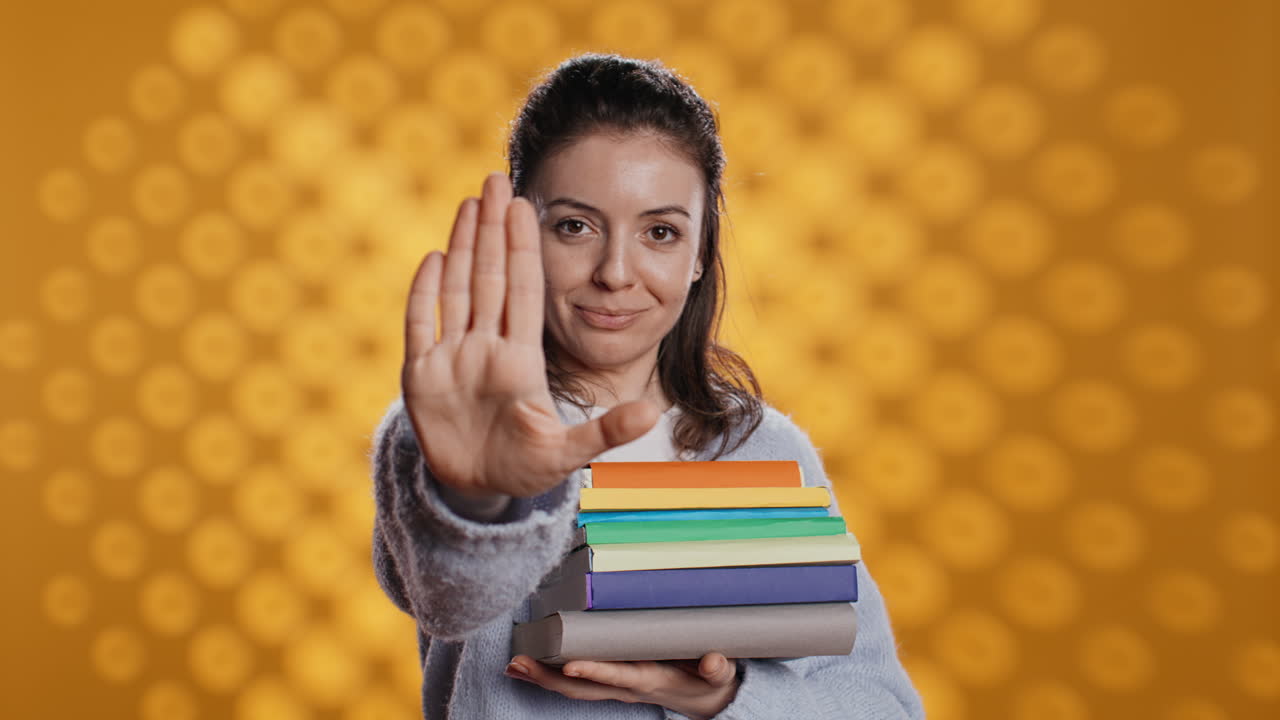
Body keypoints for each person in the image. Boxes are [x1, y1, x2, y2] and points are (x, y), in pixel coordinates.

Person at [369, 53, 925, 719]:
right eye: (574, 225)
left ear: (698, 256)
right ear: (521, 232)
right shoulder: (456, 423)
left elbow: (884, 707)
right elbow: (445, 598)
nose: (616, 272)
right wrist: (474, 499)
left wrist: (725, 697)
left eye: (660, 232)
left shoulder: (766, 451)